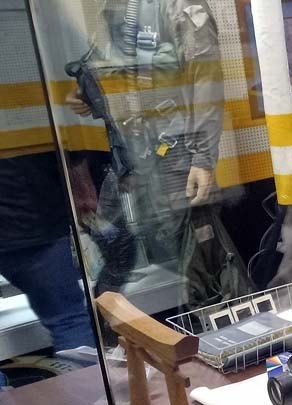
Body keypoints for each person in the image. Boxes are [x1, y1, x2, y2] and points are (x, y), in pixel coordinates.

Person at [64, 0, 251, 310]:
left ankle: (207, 324)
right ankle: (130, 329)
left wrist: (202, 159)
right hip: (131, 154)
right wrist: (86, 90)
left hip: (175, 156)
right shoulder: (119, 7)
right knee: (120, 245)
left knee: (193, 258)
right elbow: (113, 63)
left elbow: (206, 81)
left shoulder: (180, 7)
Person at [0, 152, 96, 355]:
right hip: (38, 225)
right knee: (68, 320)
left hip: (37, 225)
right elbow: (70, 153)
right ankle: (85, 376)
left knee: (69, 319)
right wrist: (82, 189)